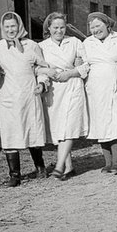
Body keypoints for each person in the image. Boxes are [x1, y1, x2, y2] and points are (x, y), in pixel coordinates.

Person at [0, 12, 49, 187]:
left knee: (32, 128)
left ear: (20, 26)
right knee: (10, 132)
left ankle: (40, 167)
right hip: (8, 96)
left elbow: (42, 67)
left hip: (28, 94)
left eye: (13, 26)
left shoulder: (31, 46)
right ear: (3, 28)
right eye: (7, 27)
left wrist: (42, 83)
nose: (10, 30)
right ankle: (14, 175)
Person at [39, 12, 89, 181]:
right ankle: (69, 166)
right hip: (54, 90)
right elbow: (40, 69)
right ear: (49, 28)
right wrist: (45, 78)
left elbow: (87, 65)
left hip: (73, 85)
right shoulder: (43, 46)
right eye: (55, 28)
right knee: (59, 128)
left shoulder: (75, 42)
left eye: (62, 27)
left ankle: (59, 165)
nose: (59, 31)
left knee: (70, 126)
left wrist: (72, 72)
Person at [84, 12, 117, 174]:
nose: (95, 30)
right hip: (95, 89)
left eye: (98, 26)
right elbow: (83, 65)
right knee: (101, 125)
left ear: (107, 25)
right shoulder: (87, 43)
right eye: (92, 27)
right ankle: (107, 162)